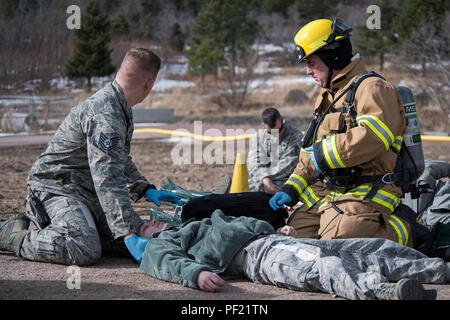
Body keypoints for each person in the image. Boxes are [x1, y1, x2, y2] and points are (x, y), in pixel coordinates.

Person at [0, 48, 182, 266]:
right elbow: (107, 178)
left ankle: (88, 228)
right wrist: (125, 233)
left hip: (86, 193)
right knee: (84, 248)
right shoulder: (106, 115)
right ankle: (14, 236)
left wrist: (144, 188)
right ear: (149, 84)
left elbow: (118, 158)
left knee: (142, 235)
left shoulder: (119, 106)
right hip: (55, 189)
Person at [269, 18, 417, 246]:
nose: (308, 71)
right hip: (329, 194)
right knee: (289, 240)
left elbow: (374, 136)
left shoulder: (373, 88)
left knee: (337, 244)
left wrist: (322, 154)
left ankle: (407, 228)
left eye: (311, 63)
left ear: (332, 56)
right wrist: (291, 188)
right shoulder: (328, 96)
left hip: (367, 190)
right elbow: (311, 151)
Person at [136, 209, 448, 300]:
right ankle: (382, 291)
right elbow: (162, 264)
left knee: (370, 247)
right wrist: (197, 274)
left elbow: (244, 221)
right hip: (257, 258)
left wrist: (278, 229)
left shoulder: (202, 221)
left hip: (272, 240)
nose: (150, 221)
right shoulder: (163, 244)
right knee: (326, 266)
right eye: (145, 227)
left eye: (149, 219)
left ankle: (438, 270)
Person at [247, 108, 302, 194]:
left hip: (286, 179)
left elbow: (287, 166)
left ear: (282, 118)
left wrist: (265, 177)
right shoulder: (259, 136)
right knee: (244, 187)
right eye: (271, 132)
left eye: (278, 130)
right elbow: (252, 162)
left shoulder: (295, 136)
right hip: (262, 179)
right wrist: (264, 178)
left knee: (257, 189)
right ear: (263, 125)